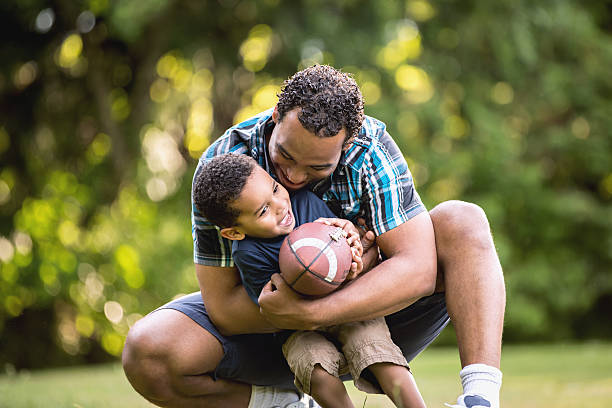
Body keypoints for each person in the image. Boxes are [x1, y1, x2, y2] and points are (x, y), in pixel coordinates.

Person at [122, 65, 505, 408]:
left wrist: (312, 311)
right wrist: (294, 315)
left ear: (347, 145)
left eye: (318, 166)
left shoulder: (370, 148)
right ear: (275, 117)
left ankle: (479, 399)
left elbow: (419, 269)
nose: (294, 178)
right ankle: (281, 403)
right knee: (148, 351)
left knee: (463, 219)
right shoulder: (225, 167)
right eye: (285, 158)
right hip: (272, 327)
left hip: (373, 315)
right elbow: (223, 307)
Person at [192, 152, 427, 408]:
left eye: (274, 189)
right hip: (296, 328)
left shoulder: (304, 202)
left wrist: (352, 251)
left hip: (349, 308)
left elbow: (344, 249)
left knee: (378, 353)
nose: (280, 205)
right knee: (315, 370)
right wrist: (310, 276)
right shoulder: (249, 254)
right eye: (263, 211)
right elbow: (278, 304)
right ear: (235, 232)